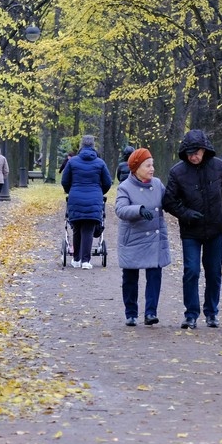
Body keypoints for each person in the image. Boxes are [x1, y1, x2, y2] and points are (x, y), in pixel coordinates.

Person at [163, 129, 222, 329]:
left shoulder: (219, 167)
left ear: (204, 150)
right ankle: (191, 314)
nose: (193, 156)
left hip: (216, 229)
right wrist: (186, 213)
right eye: (189, 153)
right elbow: (169, 201)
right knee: (191, 271)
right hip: (191, 231)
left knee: (214, 272)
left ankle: (212, 312)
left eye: (196, 152)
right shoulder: (177, 171)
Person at [114, 148, 171, 326]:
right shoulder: (125, 187)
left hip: (154, 239)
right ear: (136, 167)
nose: (152, 168)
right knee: (130, 277)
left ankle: (150, 312)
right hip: (133, 239)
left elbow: (170, 202)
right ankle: (131, 313)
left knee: (155, 274)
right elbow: (120, 209)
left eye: (152, 164)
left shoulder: (158, 184)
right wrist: (138, 210)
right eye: (148, 165)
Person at [61, 135, 113, 269]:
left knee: (77, 228)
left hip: (75, 197)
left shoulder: (72, 162)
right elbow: (107, 182)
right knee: (88, 229)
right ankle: (85, 261)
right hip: (94, 198)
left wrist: (71, 190)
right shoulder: (100, 163)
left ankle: (76, 259)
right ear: (93, 146)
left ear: (81, 145)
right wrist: (100, 192)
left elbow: (65, 181)